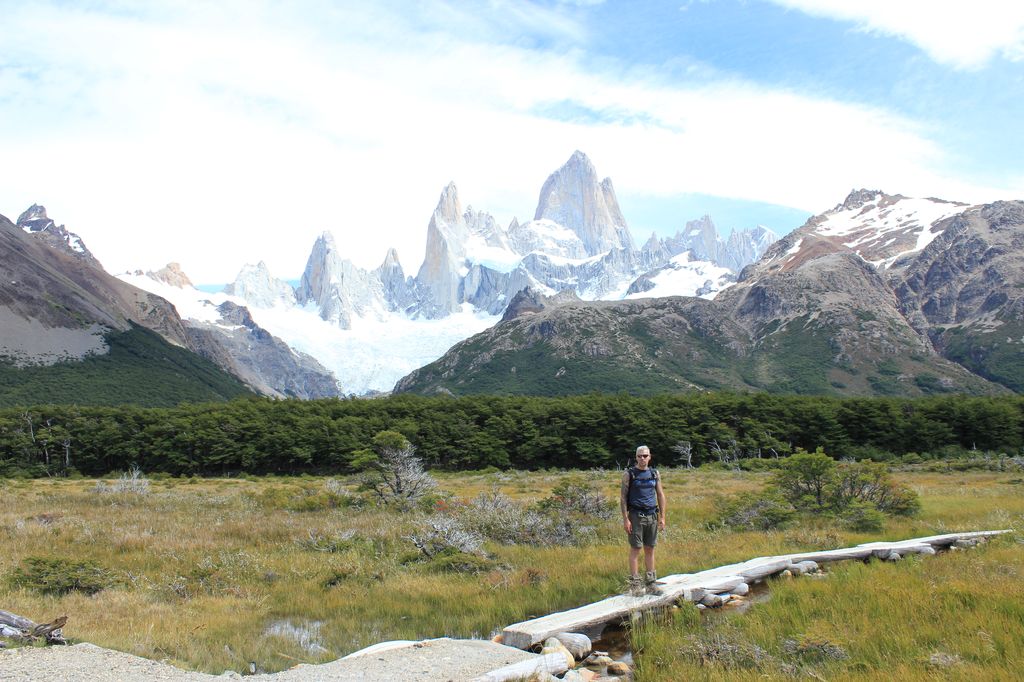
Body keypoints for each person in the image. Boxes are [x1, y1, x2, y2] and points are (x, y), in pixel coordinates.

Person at [620, 444, 666, 595]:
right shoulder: (629, 474)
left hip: (652, 515)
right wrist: (626, 519)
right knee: (636, 549)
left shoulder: (654, 473)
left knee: (650, 548)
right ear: (636, 457)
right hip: (635, 516)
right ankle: (635, 584)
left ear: (649, 457)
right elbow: (623, 498)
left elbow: (660, 495)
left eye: (645, 456)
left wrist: (662, 517)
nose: (642, 458)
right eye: (639, 456)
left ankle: (651, 583)